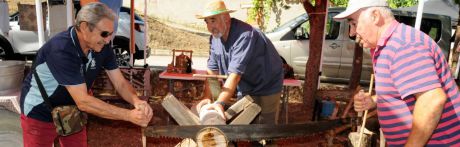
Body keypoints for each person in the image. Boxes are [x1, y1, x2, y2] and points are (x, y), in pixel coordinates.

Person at [19, 3, 153, 147]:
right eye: (104, 33)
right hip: (40, 111)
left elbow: (120, 83)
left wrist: (136, 101)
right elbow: (83, 101)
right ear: (84, 27)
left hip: (72, 111)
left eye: (111, 33)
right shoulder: (61, 49)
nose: (108, 40)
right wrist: (129, 115)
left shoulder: (103, 47)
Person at [334, 0, 460, 146]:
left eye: (354, 24)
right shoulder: (388, 45)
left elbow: (431, 100)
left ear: (375, 16)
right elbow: (404, 89)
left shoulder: (403, 46)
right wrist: (374, 100)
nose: (352, 32)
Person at [195, 0, 284, 125]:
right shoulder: (215, 38)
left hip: (268, 82)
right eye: (207, 22)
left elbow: (235, 75)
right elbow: (212, 72)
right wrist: (207, 97)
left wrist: (220, 103)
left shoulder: (244, 35)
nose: (210, 27)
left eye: (213, 20)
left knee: (265, 129)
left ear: (226, 18)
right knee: (244, 123)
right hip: (246, 84)